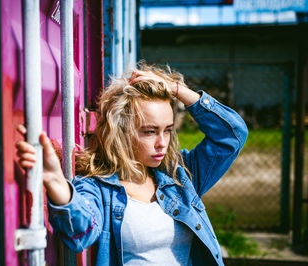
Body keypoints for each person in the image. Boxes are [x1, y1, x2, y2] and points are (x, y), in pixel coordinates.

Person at [15, 64, 248, 266]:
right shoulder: (99, 188)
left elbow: (232, 135)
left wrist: (176, 89)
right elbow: (79, 234)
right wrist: (56, 182)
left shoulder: (181, 177)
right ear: (122, 132)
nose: (162, 143)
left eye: (167, 131)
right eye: (150, 132)